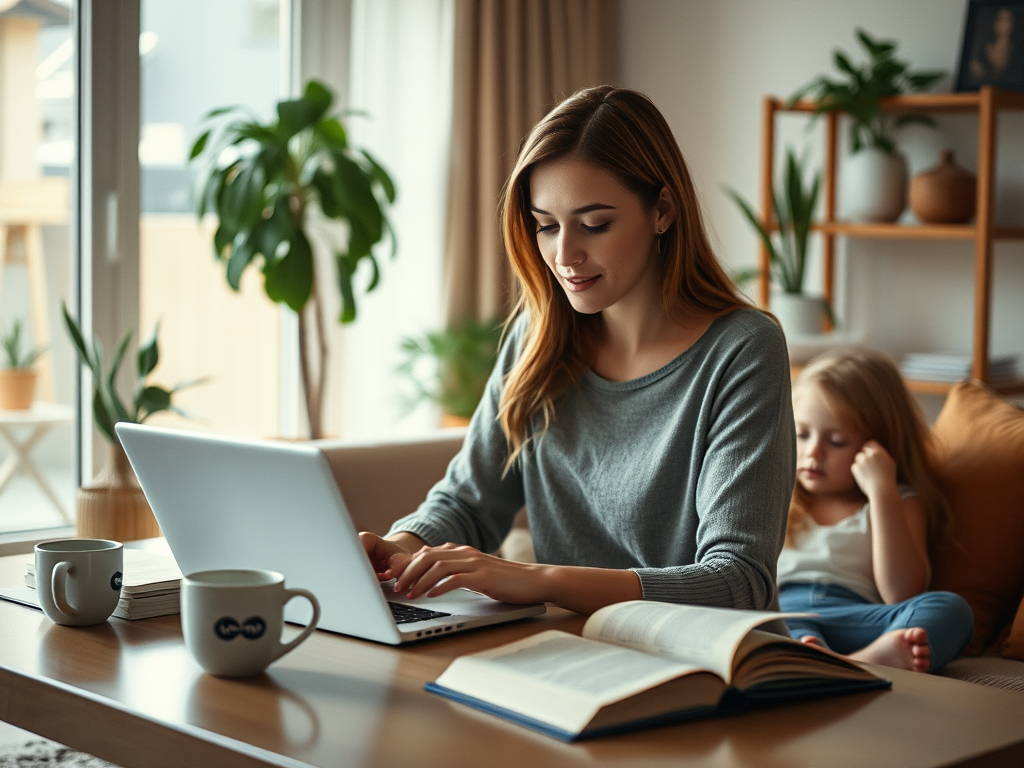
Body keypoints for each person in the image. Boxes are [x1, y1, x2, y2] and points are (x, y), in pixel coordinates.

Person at [360, 86, 795, 616]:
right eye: (546, 226)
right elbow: (468, 503)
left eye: (594, 225)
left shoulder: (742, 349)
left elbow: (738, 581)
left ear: (662, 210)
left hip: (703, 654)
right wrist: (399, 549)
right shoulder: (536, 339)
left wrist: (537, 579)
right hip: (568, 648)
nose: (564, 254)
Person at [778, 348, 974, 672]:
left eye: (837, 441)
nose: (813, 452)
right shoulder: (778, 494)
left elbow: (901, 593)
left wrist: (881, 490)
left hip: (859, 619)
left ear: (879, 445)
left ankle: (851, 661)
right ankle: (831, 660)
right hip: (784, 612)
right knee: (755, 618)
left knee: (952, 609)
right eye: (802, 434)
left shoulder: (898, 500)